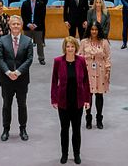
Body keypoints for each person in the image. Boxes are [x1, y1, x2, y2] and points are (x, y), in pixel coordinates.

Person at [51, 36, 91, 164]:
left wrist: (87, 99)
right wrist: (54, 99)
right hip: (63, 101)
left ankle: (76, 154)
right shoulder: (58, 61)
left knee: (76, 129)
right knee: (64, 129)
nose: (70, 49)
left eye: (72, 46)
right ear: (64, 47)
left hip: (78, 101)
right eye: (68, 46)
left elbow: (86, 81)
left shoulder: (81, 61)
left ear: (76, 48)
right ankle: (64, 154)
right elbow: (54, 81)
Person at [0, 15, 34, 142]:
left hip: (22, 79)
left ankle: (23, 129)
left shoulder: (28, 41)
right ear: (9, 26)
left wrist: (17, 72)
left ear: (21, 25)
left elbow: (29, 59)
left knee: (22, 105)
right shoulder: (2, 40)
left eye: (18, 24)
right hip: (6, 79)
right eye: (13, 24)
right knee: (6, 105)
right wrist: (8, 72)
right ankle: (5, 129)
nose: (16, 26)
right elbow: (0, 59)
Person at [78, 23, 111, 130]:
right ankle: (88, 118)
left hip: (100, 71)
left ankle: (99, 119)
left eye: (96, 29)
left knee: (99, 95)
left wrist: (107, 71)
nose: (94, 31)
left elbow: (108, 58)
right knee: (88, 95)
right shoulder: (83, 42)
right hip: (87, 71)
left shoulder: (104, 42)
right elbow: (79, 57)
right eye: (92, 29)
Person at [21, 0, 47, 65]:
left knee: (40, 43)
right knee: (27, 44)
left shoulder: (41, 3)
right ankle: (27, 59)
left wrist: (35, 24)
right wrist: (28, 24)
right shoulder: (25, 3)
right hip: (27, 27)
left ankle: (41, 58)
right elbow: (23, 15)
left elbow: (42, 16)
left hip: (38, 27)